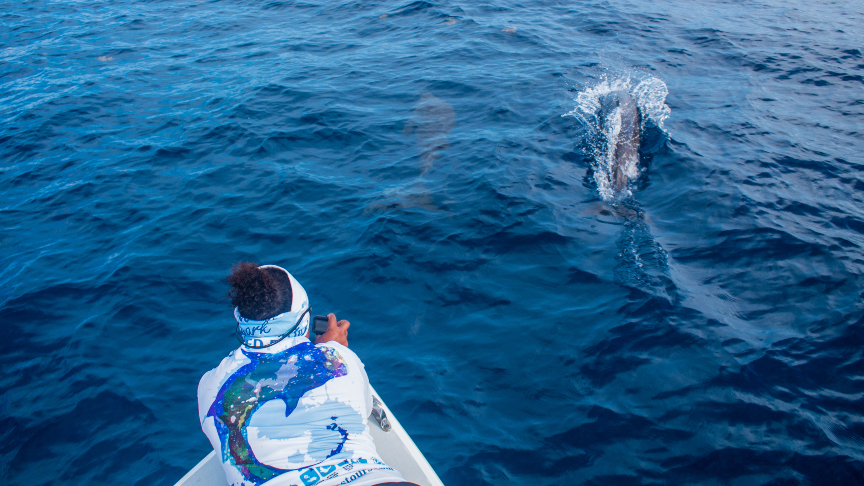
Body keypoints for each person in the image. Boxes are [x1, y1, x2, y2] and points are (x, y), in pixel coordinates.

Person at [198, 262, 418, 486]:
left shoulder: (209, 384)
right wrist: (333, 349)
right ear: (304, 319)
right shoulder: (340, 358)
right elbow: (362, 409)